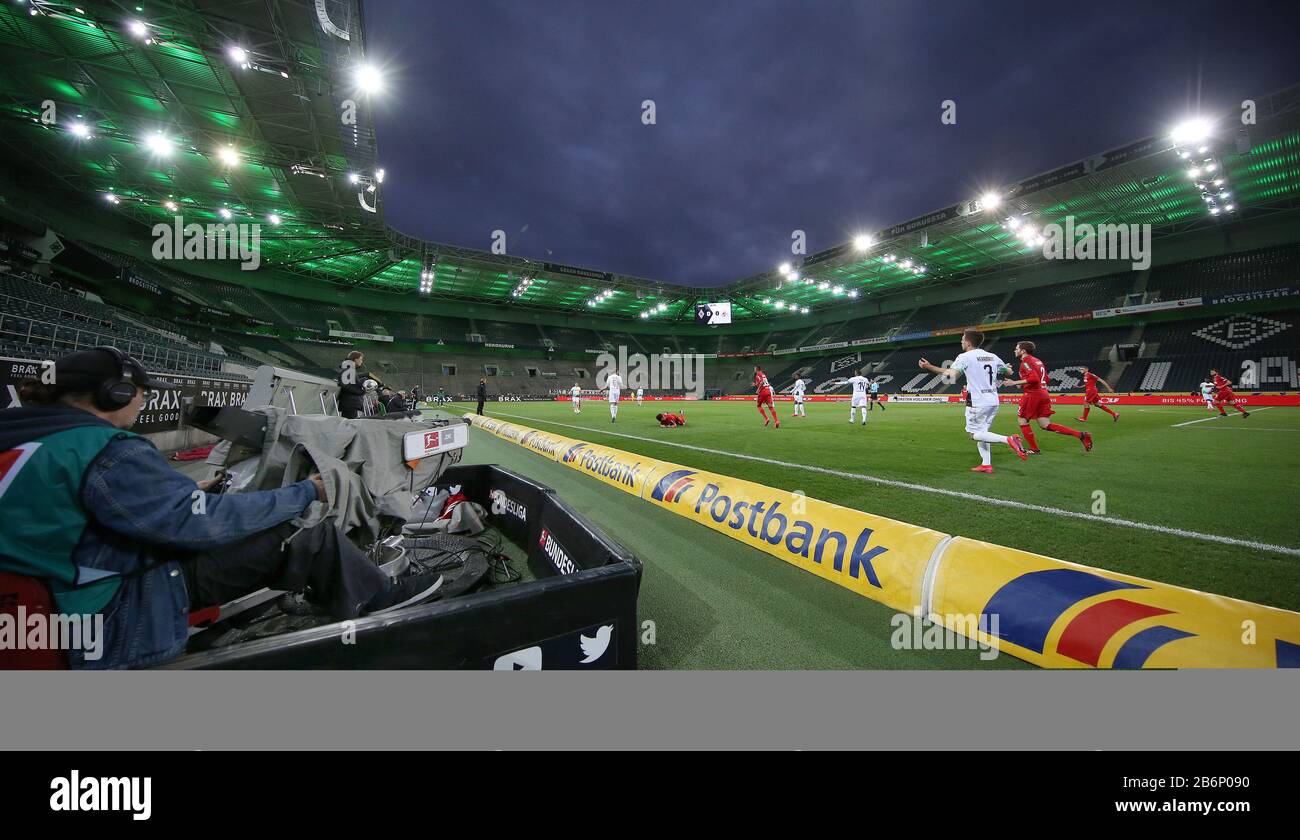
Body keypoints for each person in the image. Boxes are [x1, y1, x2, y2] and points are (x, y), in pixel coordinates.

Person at [0, 347, 444, 669]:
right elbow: (201, 528)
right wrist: (307, 492)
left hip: (47, 613)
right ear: (114, 393)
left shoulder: (22, 439)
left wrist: (187, 494)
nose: (143, 400)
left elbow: (88, 513)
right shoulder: (103, 447)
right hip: (116, 614)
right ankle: (381, 602)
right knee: (304, 534)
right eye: (139, 392)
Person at [918, 329, 1027, 473]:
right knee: (983, 432)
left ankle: (1009, 439)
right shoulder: (992, 356)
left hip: (977, 401)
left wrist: (928, 367)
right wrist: (1005, 367)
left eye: (963, 339)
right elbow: (1008, 372)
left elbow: (952, 374)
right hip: (993, 400)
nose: (961, 341)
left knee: (974, 434)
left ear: (968, 342)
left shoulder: (965, 357)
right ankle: (986, 464)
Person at [1001, 341, 1091, 454]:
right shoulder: (1037, 361)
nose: (1015, 350)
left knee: (1022, 420)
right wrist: (1022, 383)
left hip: (1032, 395)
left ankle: (1034, 449)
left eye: (1016, 348)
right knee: (1045, 424)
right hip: (1043, 393)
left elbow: (1034, 379)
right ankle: (1081, 435)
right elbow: (1046, 379)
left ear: (1023, 350)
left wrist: (1013, 383)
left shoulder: (1026, 362)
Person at [337, 350, 367, 419]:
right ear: (356, 360)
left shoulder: (350, 369)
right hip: (349, 404)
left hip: (350, 403)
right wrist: (361, 391)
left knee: (350, 425)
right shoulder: (349, 369)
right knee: (349, 426)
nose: (362, 362)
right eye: (361, 359)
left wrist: (360, 382)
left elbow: (349, 384)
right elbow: (345, 385)